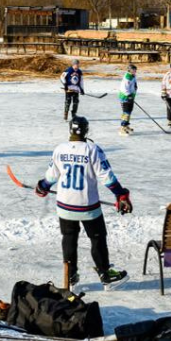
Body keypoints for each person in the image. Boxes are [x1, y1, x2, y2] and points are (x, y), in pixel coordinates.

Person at [34, 116, 132, 287]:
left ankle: (70, 276)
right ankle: (105, 274)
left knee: (69, 238)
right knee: (97, 238)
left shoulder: (60, 149)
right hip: (87, 205)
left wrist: (42, 186)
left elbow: (51, 177)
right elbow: (106, 177)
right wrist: (120, 195)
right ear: (86, 131)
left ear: (70, 130)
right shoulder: (92, 149)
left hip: (65, 205)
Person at [118, 63, 138, 135]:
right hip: (125, 97)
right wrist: (128, 95)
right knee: (126, 112)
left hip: (131, 96)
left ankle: (126, 125)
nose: (135, 71)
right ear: (129, 70)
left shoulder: (133, 76)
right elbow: (124, 88)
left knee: (129, 111)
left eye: (135, 70)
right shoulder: (127, 77)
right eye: (133, 70)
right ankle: (122, 127)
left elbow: (133, 86)